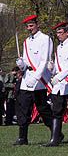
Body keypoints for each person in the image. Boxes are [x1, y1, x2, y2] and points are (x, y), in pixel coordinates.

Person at [14, 15, 54, 145]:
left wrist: (36, 78)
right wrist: (21, 64)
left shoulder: (45, 39)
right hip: (27, 78)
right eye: (27, 26)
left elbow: (44, 61)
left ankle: (56, 133)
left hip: (39, 80)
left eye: (31, 25)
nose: (29, 28)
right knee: (23, 109)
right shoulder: (26, 41)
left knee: (43, 109)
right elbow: (26, 62)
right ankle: (22, 137)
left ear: (37, 25)